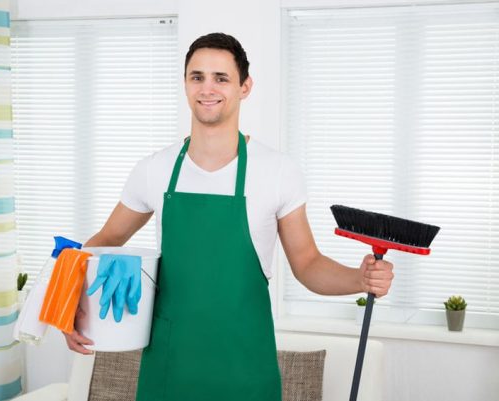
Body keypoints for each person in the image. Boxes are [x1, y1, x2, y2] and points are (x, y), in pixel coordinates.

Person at [63, 32, 394, 401]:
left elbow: (307, 264)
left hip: (246, 372)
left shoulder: (277, 171)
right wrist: (66, 304)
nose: (207, 88)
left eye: (221, 78)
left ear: (244, 87)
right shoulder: (154, 170)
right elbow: (105, 241)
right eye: (197, 77)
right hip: (169, 370)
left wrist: (359, 278)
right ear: (185, 84)